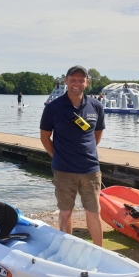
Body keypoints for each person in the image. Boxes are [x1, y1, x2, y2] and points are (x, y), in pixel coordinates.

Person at [40, 65, 105, 247]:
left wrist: (86, 151)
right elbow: (45, 137)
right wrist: (57, 156)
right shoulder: (53, 108)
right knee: (66, 212)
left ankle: (99, 252)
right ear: (66, 81)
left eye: (81, 80)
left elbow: (97, 134)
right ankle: (66, 249)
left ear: (87, 82)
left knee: (93, 212)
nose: (77, 83)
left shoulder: (96, 106)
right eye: (73, 79)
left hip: (90, 170)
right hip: (63, 170)